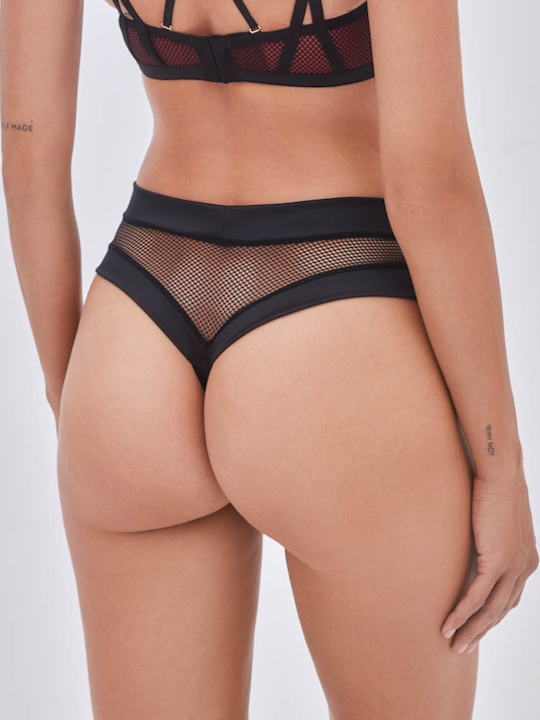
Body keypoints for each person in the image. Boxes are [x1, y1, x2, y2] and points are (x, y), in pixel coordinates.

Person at [2, 0, 537, 717]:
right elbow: (430, 185)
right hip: (335, 326)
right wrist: (499, 465)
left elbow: (26, 160)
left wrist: (73, 397)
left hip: (134, 332)